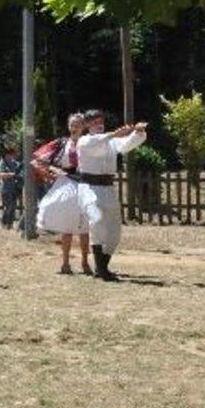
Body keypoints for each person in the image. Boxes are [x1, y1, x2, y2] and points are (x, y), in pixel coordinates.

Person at [76, 110, 147, 281]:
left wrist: (138, 132)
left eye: (100, 121)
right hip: (90, 188)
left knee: (114, 230)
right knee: (97, 223)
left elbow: (126, 144)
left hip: (108, 187)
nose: (98, 125)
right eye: (94, 122)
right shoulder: (84, 141)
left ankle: (102, 267)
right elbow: (96, 142)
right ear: (87, 125)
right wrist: (114, 134)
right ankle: (101, 270)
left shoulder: (111, 141)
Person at [32, 113, 92, 274]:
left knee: (85, 227)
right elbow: (37, 160)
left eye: (78, 125)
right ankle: (65, 264)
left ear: (84, 126)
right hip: (66, 185)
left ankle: (85, 263)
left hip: (85, 185)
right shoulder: (61, 143)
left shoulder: (90, 142)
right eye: (72, 124)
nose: (74, 128)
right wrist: (52, 171)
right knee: (67, 227)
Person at [0, 148, 23, 230]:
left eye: (13, 154)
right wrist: (12, 174)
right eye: (11, 154)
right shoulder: (2, 163)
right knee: (7, 207)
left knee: (13, 207)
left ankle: (10, 224)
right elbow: (1, 174)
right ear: (6, 155)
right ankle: (4, 223)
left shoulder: (14, 163)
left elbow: (20, 169)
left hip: (14, 188)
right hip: (6, 189)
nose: (12, 156)